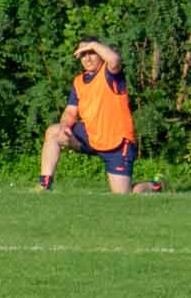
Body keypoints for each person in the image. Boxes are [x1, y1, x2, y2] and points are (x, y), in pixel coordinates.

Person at [40, 40, 156, 193]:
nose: (87, 58)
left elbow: (114, 59)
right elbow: (70, 111)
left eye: (92, 53)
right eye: (83, 54)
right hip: (91, 135)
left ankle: (154, 185)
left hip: (116, 142)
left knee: (124, 195)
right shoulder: (78, 81)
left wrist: (93, 44)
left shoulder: (110, 73)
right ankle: (44, 185)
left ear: (100, 54)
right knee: (54, 132)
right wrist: (64, 127)